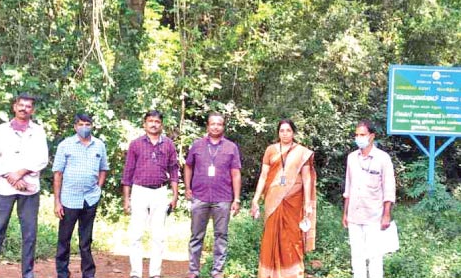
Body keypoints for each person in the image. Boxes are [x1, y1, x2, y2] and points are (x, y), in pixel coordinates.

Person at [0, 93, 49, 278]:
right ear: (14, 107)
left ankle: (27, 273)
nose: (24, 109)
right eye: (21, 105)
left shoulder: (39, 131)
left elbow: (42, 159)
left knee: (29, 233)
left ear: (32, 110)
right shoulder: (1, 130)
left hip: (29, 189)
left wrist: (19, 174)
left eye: (28, 106)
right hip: (4, 188)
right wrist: (12, 178)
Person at [251, 119, 316, 278]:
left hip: (294, 202)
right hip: (272, 201)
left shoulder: (302, 152)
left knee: (292, 239)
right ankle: (269, 273)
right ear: (278, 133)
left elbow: (307, 178)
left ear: (293, 132)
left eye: (288, 130)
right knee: (271, 236)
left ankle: (293, 273)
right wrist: (255, 199)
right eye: (282, 130)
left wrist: (307, 203)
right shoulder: (271, 150)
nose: (285, 133)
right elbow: (263, 176)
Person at [122, 110, 180, 278]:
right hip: (139, 191)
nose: (154, 124)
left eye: (157, 121)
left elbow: (174, 170)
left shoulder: (168, 144)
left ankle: (155, 274)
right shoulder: (136, 144)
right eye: (150, 121)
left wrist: (175, 195)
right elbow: (128, 172)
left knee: (158, 236)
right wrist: (127, 198)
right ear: (144, 124)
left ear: (161, 125)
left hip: (160, 192)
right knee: (136, 234)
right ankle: (135, 273)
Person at [184, 113, 242, 278]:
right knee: (196, 235)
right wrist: (188, 187)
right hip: (199, 196)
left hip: (223, 197)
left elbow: (236, 173)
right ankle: (194, 270)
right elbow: (188, 166)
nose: (216, 127)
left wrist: (236, 199)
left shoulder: (231, 147)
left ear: (223, 127)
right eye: (212, 124)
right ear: (207, 126)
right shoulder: (197, 145)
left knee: (221, 236)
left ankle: (217, 271)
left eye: (219, 124)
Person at [53, 113, 110, 278]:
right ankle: (62, 273)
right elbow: (58, 174)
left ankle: (88, 273)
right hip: (69, 199)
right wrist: (57, 201)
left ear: (92, 126)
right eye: (81, 124)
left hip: (90, 199)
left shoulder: (99, 145)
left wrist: (98, 188)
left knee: (86, 240)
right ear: (75, 127)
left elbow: (103, 169)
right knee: (64, 239)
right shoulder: (66, 145)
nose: (84, 127)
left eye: (87, 124)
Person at [342, 120, 396, 278]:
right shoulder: (352, 158)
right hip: (354, 216)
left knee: (374, 257)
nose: (359, 138)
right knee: (356, 256)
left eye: (362, 134)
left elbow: (389, 189)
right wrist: (345, 213)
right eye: (357, 135)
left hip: (374, 216)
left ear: (371, 136)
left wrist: (386, 215)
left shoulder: (383, 158)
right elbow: (348, 188)